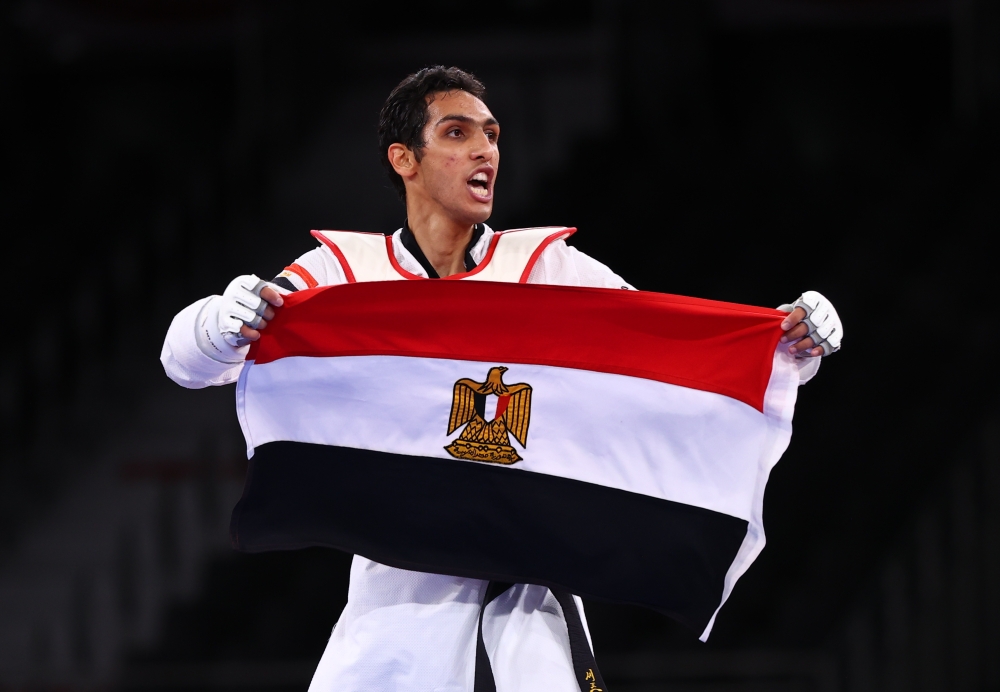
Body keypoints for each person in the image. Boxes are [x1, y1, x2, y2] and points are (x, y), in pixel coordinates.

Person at [161, 66, 842, 691]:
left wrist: (789, 345)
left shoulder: (549, 269)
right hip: (395, 613)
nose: (485, 150)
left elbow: (669, 367)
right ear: (404, 159)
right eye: (457, 134)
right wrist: (219, 323)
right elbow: (187, 364)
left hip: (531, 616)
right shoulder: (343, 275)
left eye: (491, 135)